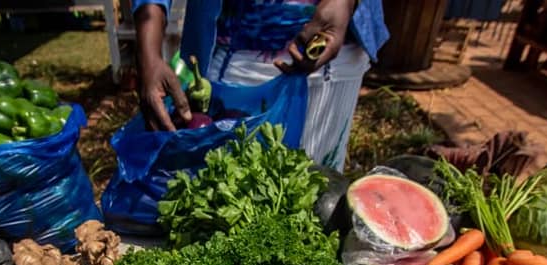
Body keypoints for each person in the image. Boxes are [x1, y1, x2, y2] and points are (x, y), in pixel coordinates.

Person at [132, 0, 389, 171]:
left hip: (332, 59)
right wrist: (148, 49)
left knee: (318, 200)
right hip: (233, 58)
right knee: (224, 194)